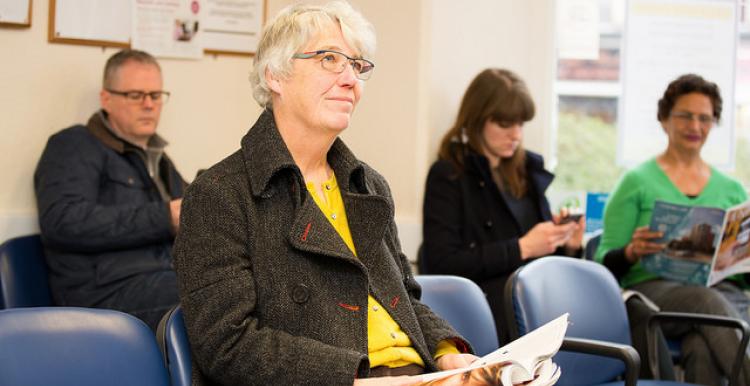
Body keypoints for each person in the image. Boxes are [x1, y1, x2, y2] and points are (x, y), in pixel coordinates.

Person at [173, 2, 476, 385]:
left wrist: (447, 355)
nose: (350, 78)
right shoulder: (219, 195)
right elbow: (227, 345)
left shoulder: (368, 185)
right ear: (275, 76)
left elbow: (406, 299)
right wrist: (354, 379)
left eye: (357, 65)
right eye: (329, 59)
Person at [595, 73, 750, 386]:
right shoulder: (636, 181)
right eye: (685, 116)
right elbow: (602, 264)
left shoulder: (733, 190)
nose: (695, 127)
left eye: (705, 118)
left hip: (723, 294)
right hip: (656, 292)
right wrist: (630, 252)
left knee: (702, 347)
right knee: (706, 302)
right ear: (665, 119)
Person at [421, 68, 584, 343]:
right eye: (505, 124)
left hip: (532, 301)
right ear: (477, 120)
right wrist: (523, 247)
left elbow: (545, 260)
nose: (516, 135)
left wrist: (569, 244)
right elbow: (442, 262)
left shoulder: (526, 173)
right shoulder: (449, 174)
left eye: (521, 123)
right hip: (485, 308)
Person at [34, 49, 185, 331]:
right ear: (107, 99)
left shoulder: (159, 159)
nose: (149, 105)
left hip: (160, 278)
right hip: (101, 294)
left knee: (243, 283)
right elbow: (62, 221)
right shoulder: (73, 145)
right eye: (136, 95)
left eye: (155, 95)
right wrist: (165, 217)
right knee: (210, 295)